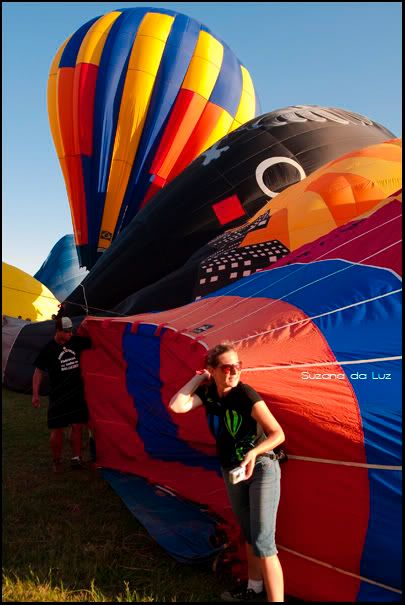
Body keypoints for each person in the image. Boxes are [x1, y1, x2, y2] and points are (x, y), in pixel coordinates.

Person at [169, 342, 285, 602]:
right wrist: (198, 378)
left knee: (264, 543)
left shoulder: (246, 394)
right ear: (212, 369)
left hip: (261, 467)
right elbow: (177, 406)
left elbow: (278, 433)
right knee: (248, 534)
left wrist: (254, 452)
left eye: (237, 366)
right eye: (226, 367)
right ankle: (254, 589)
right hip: (233, 469)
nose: (233, 372)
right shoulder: (210, 394)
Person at [32, 316, 92, 472]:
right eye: (65, 332)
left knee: (77, 426)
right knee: (57, 429)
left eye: (70, 331)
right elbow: (38, 371)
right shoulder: (48, 349)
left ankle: (76, 459)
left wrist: (89, 323)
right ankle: (57, 461)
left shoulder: (76, 341)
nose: (69, 335)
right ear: (57, 331)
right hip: (58, 395)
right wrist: (35, 394)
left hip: (76, 393)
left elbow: (96, 340)